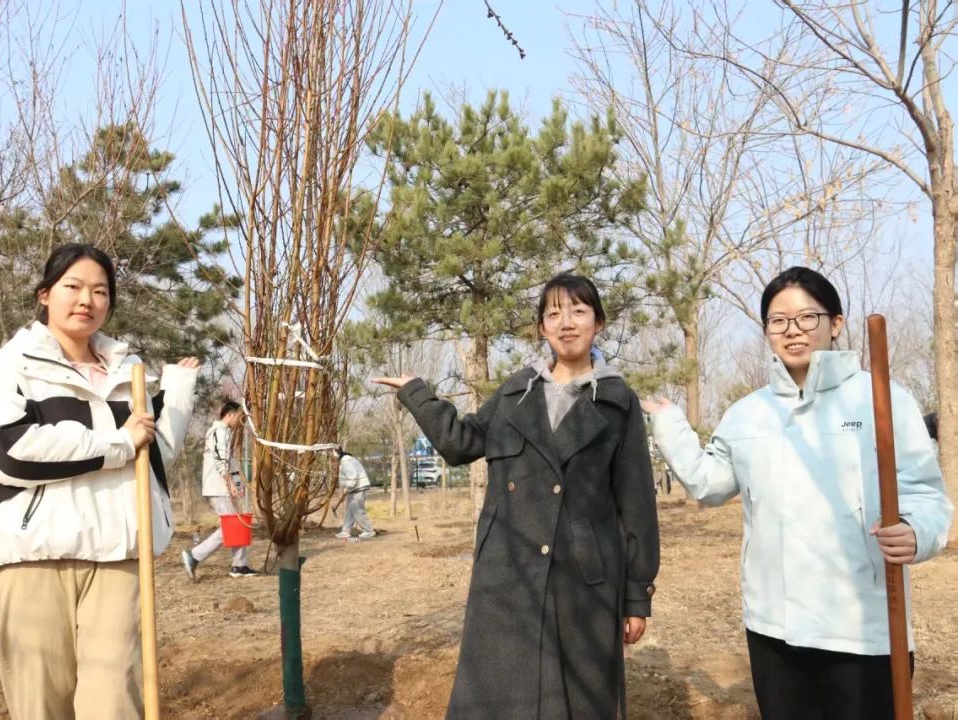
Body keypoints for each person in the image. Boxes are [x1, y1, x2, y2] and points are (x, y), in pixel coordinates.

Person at [644, 266, 953, 720]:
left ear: (836, 323)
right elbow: (709, 483)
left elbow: (924, 494)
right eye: (778, 320)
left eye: (807, 317)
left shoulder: (881, 399)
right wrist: (670, 424)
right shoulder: (748, 413)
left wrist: (915, 531)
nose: (793, 330)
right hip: (775, 627)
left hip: (863, 626)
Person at [374, 272, 659, 719]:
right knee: (499, 702)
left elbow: (637, 505)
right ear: (541, 327)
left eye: (578, 311)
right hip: (507, 577)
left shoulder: (618, 402)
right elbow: (461, 442)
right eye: (554, 314)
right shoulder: (515, 394)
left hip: (583, 584)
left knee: (579, 702)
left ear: (598, 322)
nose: (566, 323)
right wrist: (418, 394)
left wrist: (637, 597)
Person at [0, 243, 199, 720]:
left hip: (117, 558)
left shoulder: (129, 372)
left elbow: (152, 457)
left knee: (114, 703)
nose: (87, 299)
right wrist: (117, 442)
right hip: (34, 561)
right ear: (45, 294)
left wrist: (177, 393)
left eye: (100, 291)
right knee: (42, 705)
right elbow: (11, 450)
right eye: (73, 286)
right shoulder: (10, 365)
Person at [181, 400, 257, 579]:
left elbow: (230, 462)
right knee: (230, 527)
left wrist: (237, 484)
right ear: (230, 415)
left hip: (225, 486)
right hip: (219, 487)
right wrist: (230, 483)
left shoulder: (226, 433)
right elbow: (221, 461)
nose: (240, 422)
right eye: (239, 417)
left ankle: (240, 565)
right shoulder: (218, 432)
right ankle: (194, 556)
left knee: (236, 524)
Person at [334, 448, 375, 540]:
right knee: (349, 511)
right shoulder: (346, 460)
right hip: (355, 488)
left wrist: (348, 487)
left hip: (358, 488)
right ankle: (345, 531)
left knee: (357, 510)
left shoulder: (346, 461)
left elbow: (353, 475)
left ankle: (368, 530)